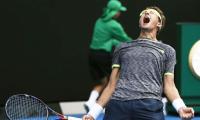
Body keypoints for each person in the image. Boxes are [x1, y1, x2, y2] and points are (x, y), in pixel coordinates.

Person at [83, 6, 195, 120]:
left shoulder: (168, 51)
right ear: (139, 22)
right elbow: (112, 85)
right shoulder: (121, 48)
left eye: (151, 12)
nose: (146, 12)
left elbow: (169, 85)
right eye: (144, 12)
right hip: (118, 105)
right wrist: (93, 113)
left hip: (149, 106)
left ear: (159, 24)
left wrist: (181, 107)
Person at [84, 0, 132, 112]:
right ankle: (110, 106)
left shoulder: (99, 21)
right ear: (114, 12)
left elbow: (108, 40)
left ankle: (90, 102)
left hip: (92, 55)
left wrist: (115, 42)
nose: (120, 13)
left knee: (102, 82)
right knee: (115, 80)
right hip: (103, 55)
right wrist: (138, 43)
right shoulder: (114, 25)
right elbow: (125, 39)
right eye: (119, 11)